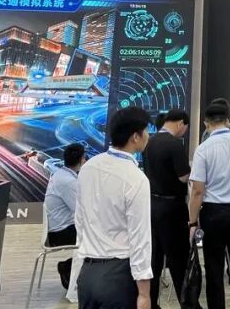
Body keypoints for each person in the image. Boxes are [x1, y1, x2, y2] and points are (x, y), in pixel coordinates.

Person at [76, 106, 153, 309]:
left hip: (87, 274)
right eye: (146, 131)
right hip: (118, 277)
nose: (148, 136)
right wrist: (144, 293)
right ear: (135, 137)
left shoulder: (88, 168)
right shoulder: (136, 179)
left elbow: (80, 220)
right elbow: (140, 238)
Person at [188, 100, 230, 309]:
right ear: (227, 120)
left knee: (214, 269)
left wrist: (192, 223)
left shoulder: (203, 149)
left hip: (213, 214)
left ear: (206, 123)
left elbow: (197, 191)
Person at [142, 109, 192, 309]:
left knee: (154, 260)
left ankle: (152, 302)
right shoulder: (174, 144)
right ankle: (188, 304)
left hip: (152, 206)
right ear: (180, 123)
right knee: (179, 260)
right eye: (185, 128)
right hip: (173, 208)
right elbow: (183, 177)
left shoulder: (149, 142)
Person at [45, 143, 86, 289]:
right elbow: (81, 210)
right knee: (100, 236)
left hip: (61, 227)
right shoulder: (68, 181)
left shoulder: (61, 175)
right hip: (61, 232)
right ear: (82, 160)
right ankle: (68, 267)